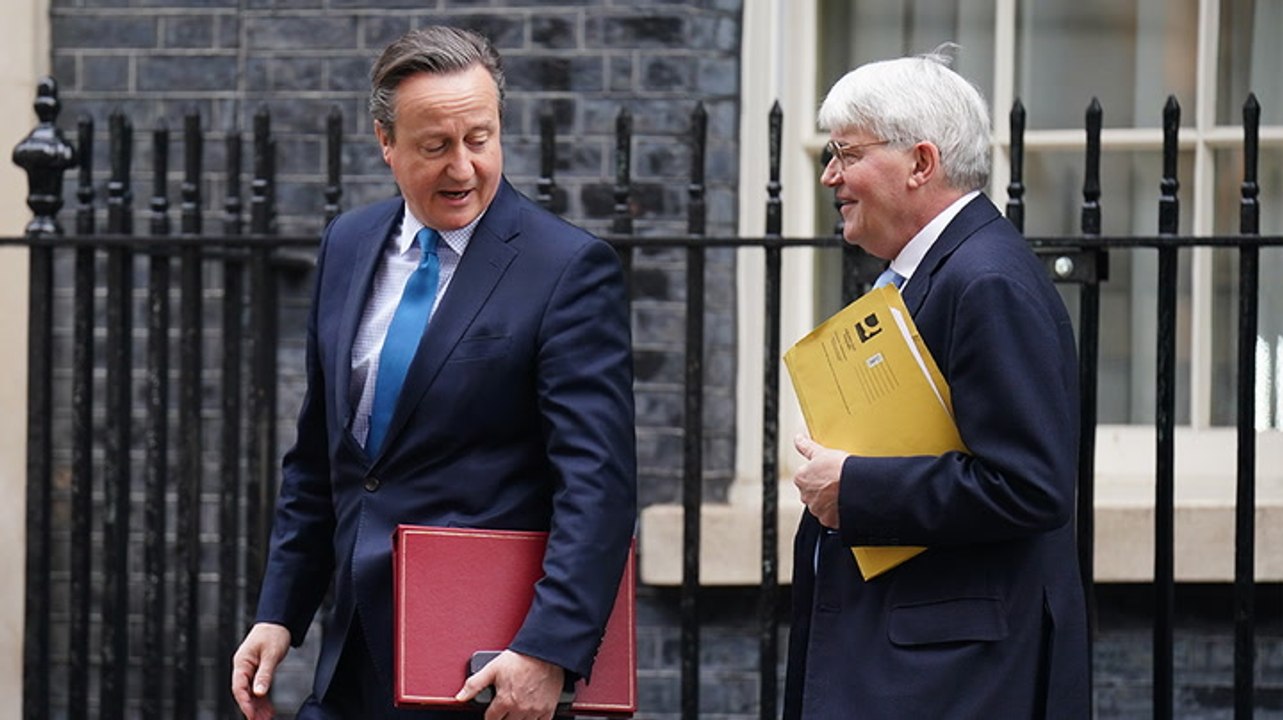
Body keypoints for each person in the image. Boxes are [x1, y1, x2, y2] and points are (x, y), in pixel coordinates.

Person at [231, 25, 637, 720]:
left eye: (479, 139)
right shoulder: (347, 244)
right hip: (349, 654)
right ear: (385, 142)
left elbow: (596, 484)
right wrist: (280, 612)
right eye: (434, 146)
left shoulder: (566, 269)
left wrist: (548, 649)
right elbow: (323, 460)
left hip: (485, 667)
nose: (462, 168)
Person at [784, 50, 1089, 719]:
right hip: (921, 665)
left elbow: (1029, 486)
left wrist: (853, 487)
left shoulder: (984, 281)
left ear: (920, 163)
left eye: (845, 152)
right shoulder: (941, 272)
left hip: (953, 680)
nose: (829, 175)